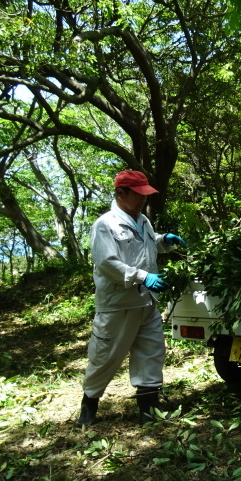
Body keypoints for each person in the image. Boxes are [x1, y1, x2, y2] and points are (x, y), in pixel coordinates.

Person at [77, 170, 187, 426]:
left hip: (147, 302)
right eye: (138, 195)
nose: (142, 201)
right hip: (118, 305)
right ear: (120, 193)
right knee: (105, 356)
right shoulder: (105, 225)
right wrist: (142, 276)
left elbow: (146, 246)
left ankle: (149, 411)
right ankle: (89, 406)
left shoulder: (143, 221)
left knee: (151, 352)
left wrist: (163, 241)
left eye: (145, 196)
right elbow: (107, 263)